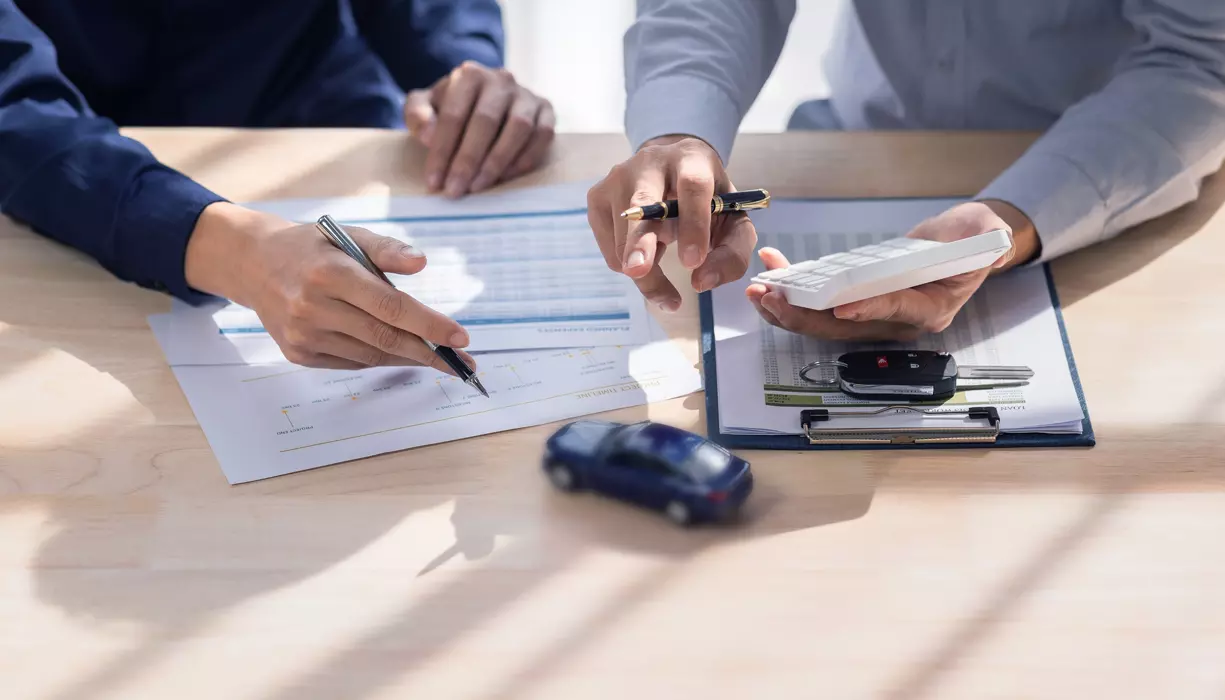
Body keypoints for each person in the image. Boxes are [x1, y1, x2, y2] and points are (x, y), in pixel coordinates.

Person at [588, 0, 1225, 341]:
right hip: (861, 147)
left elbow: (1202, 61)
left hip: (1113, 190)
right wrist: (679, 129)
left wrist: (1007, 221)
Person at [0, 0, 554, 371]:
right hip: (68, 183)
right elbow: (13, 104)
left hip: (324, 120)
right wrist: (234, 252)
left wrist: (461, 70)